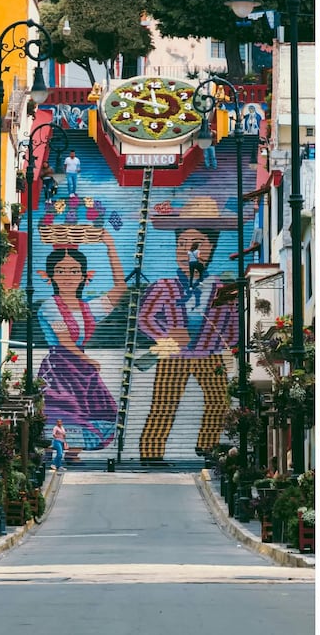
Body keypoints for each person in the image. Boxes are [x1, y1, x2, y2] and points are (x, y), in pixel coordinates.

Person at [137, 196, 240, 460]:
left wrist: (230, 349)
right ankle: (151, 452)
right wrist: (165, 336)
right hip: (173, 354)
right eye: (181, 244)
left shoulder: (224, 289)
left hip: (211, 355)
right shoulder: (163, 287)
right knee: (163, 405)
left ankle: (206, 446)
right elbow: (145, 319)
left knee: (219, 402)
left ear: (211, 247)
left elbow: (233, 325)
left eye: (196, 245)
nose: (188, 251)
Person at [38, 232, 127, 453]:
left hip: (82, 370)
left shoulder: (87, 308)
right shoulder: (50, 306)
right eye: (60, 271)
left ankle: (70, 452)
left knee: (93, 411)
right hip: (59, 369)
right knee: (67, 410)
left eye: (74, 270)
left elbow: (121, 290)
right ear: (50, 276)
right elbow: (64, 339)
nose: (67, 276)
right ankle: (58, 452)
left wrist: (111, 246)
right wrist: (87, 359)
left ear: (84, 276)